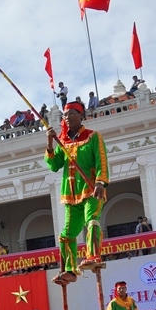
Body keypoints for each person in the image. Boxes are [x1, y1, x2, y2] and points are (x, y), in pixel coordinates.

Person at [44, 101, 109, 284]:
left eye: (72, 113)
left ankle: (93, 256)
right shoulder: (63, 141)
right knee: (66, 234)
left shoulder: (93, 136)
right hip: (71, 195)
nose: (67, 117)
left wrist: (101, 182)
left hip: (91, 189)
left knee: (92, 221)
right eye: (65, 114)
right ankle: (70, 270)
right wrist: (50, 141)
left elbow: (101, 160)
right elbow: (54, 165)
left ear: (81, 116)